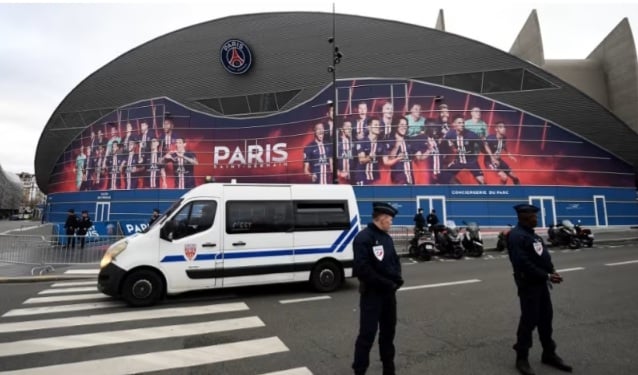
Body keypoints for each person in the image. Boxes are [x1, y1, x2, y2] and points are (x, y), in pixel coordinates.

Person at [507, 204, 572, 375]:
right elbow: (522, 263)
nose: (537, 219)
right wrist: (547, 276)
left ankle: (549, 354)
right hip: (528, 285)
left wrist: (551, 271)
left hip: (541, 283)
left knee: (545, 319)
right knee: (529, 321)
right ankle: (521, 358)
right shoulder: (516, 236)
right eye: (534, 217)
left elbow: (543, 256)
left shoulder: (533, 235)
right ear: (524, 217)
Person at [352, 202, 403, 375]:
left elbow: (394, 260)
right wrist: (387, 283)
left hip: (389, 295)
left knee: (388, 333)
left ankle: (388, 368)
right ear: (381, 218)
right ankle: (359, 370)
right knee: (367, 335)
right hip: (372, 295)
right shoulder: (363, 238)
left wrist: (398, 278)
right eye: (390, 219)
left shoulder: (386, 237)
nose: (391, 222)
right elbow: (363, 270)